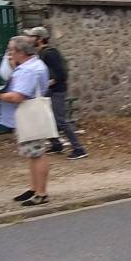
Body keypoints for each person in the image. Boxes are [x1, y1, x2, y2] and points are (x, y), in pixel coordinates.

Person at [0, 36, 53, 207]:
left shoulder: (29, 70)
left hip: (30, 113)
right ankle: (34, 188)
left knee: (37, 153)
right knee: (33, 153)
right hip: (33, 112)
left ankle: (41, 193)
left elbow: (18, 96)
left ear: (21, 52)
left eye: (11, 50)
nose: (9, 54)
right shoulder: (34, 65)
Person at [21, 27, 88, 161]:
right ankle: (56, 144)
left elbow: (61, 74)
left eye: (32, 36)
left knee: (60, 120)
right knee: (44, 116)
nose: (29, 39)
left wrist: (47, 83)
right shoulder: (41, 53)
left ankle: (79, 149)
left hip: (57, 90)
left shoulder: (50, 54)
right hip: (51, 90)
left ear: (40, 39)